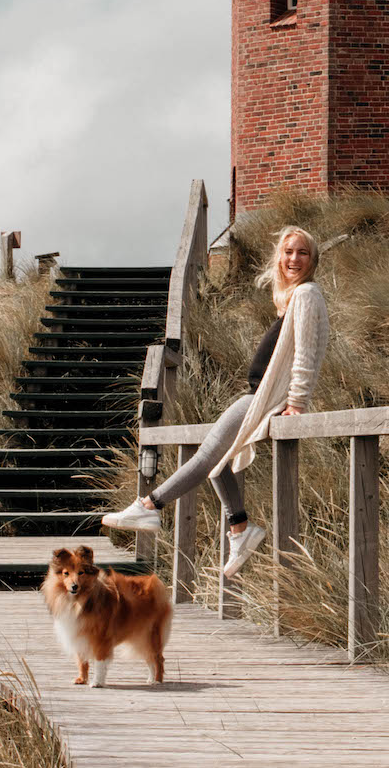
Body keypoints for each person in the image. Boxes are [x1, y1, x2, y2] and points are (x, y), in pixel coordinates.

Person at [102, 225, 330, 577]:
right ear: (279, 257)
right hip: (259, 397)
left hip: (265, 400)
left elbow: (307, 354)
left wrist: (297, 402)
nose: (294, 259)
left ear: (312, 260)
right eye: (288, 252)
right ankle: (240, 529)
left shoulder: (308, 294)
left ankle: (149, 505)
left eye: (302, 253)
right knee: (217, 465)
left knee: (209, 455)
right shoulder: (292, 298)